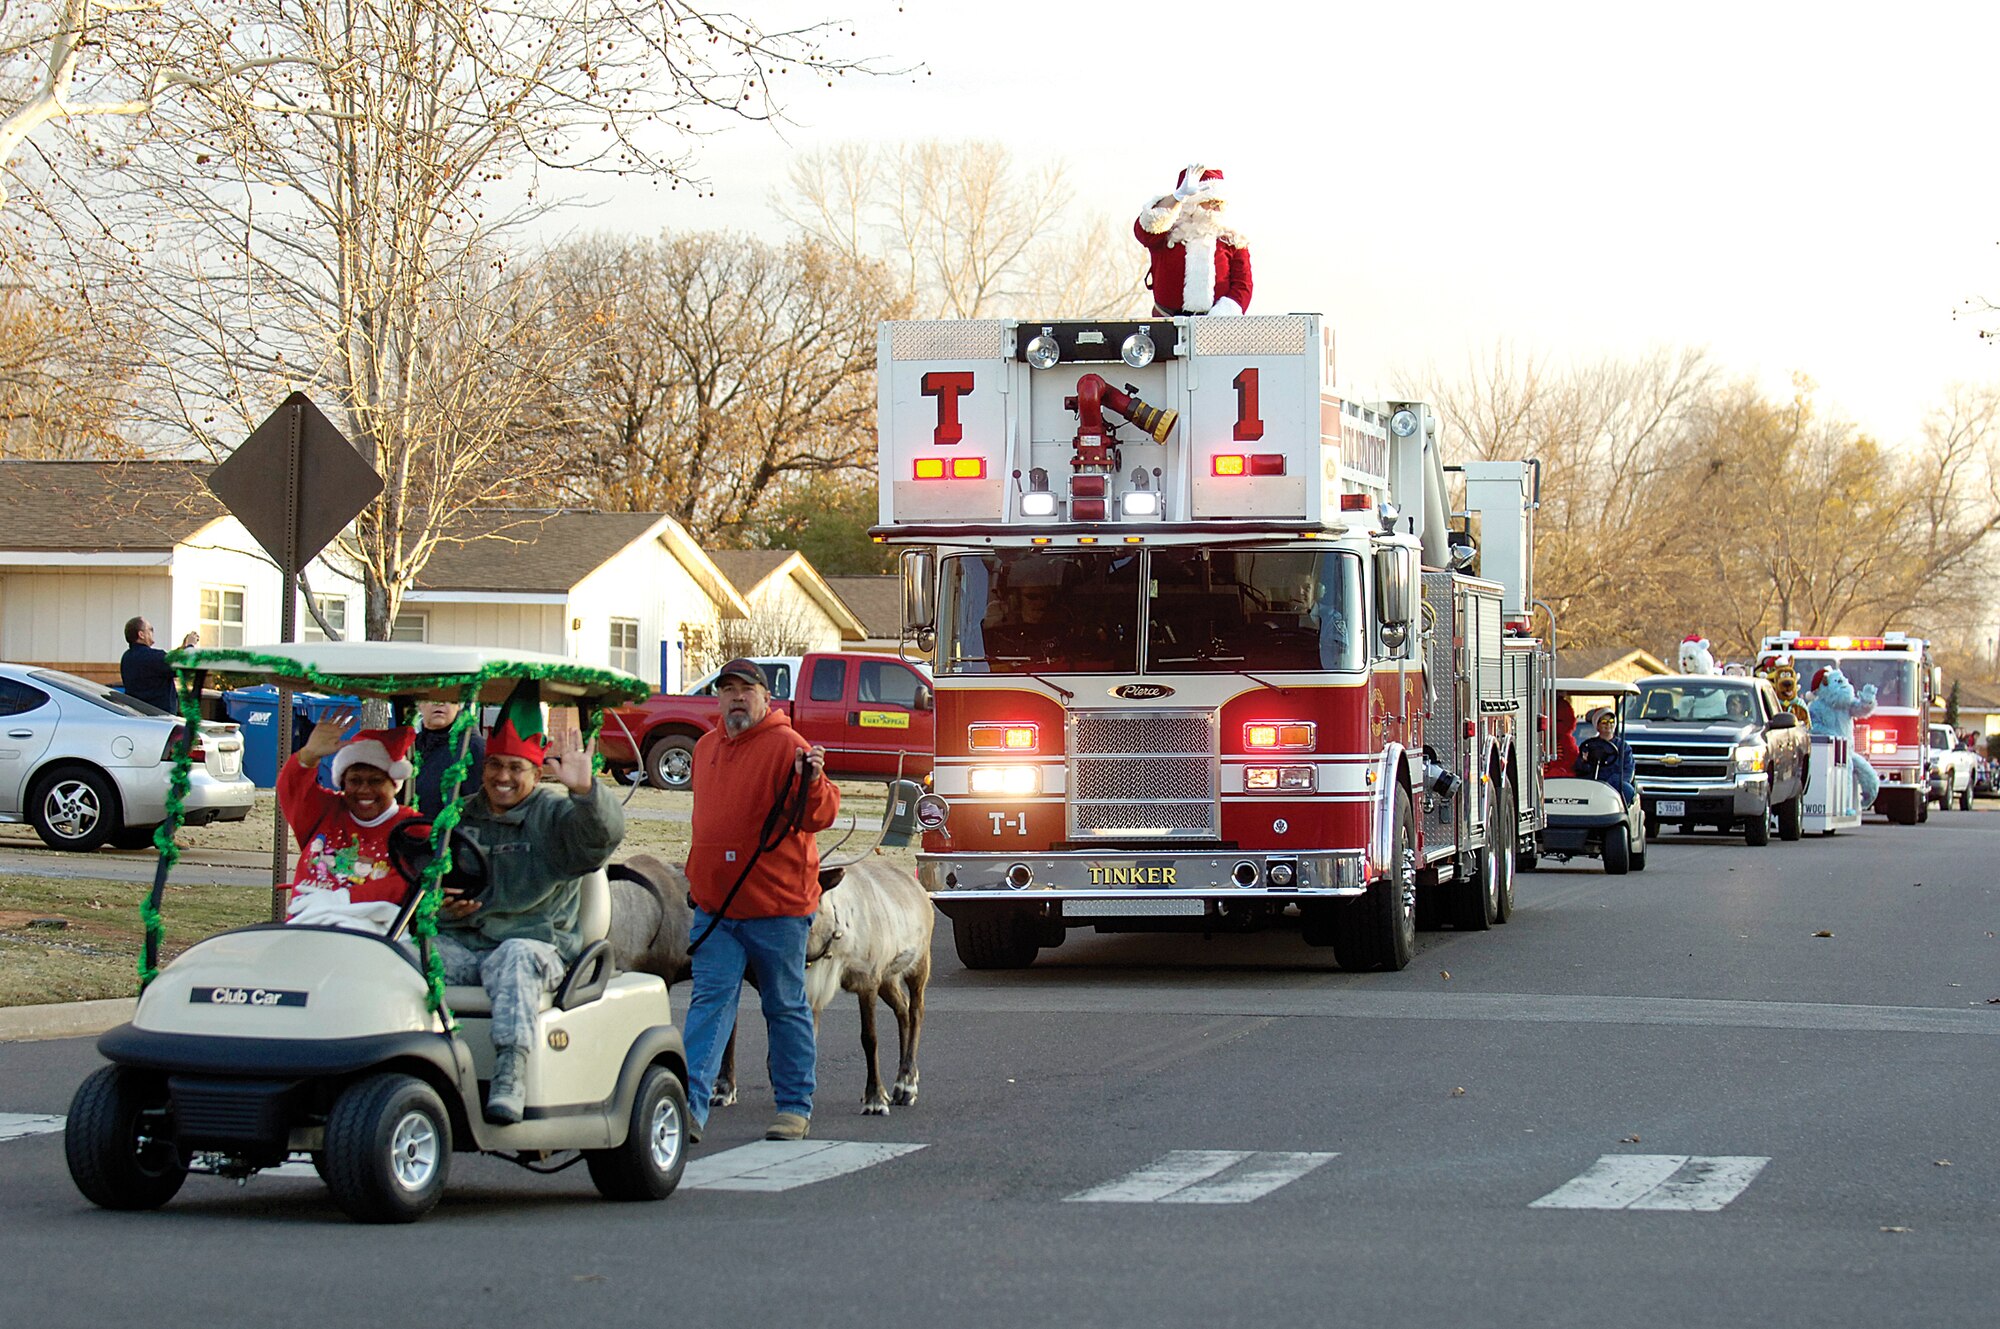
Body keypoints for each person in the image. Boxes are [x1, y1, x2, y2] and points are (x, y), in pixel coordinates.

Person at [436, 684, 624, 1124]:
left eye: (516, 768)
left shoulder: (556, 816)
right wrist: (442, 911)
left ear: (537, 775)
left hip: (539, 943)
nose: (503, 777)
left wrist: (586, 792)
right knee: (404, 958)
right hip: (467, 943)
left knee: (514, 960)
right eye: (495, 766)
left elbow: (602, 839)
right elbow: (433, 881)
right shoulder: (459, 814)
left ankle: (510, 1075)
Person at [682, 658, 838, 1144]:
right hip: (717, 912)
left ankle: (793, 1106)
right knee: (709, 1005)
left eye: (744, 690)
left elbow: (821, 814)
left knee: (785, 1005)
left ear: (764, 698)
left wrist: (813, 778)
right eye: (725, 690)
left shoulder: (788, 746)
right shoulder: (706, 747)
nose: (734, 699)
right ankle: (688, 1108)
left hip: (778, 910)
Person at [278, 711, 420, 933]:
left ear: (394, 784)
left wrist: (341, 899)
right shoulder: (325, 811)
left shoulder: (412, 827)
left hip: (367, 936)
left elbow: (406, 883)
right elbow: (293, 788)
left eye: (375, 781)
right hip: (305, 927)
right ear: (342, 782)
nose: (364, 790)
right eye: (355, 781)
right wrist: (309, 754)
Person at [1134, 164, 1253, 318]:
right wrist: (1177, 197)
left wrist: (1221, 317)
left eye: (1220, 203)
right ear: (1191, 203)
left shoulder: (1232, 237)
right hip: (1168, 323)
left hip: (1213, 328)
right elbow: (1147, 227)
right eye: (1209, 202)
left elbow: (1243, 285)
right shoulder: (1167, 230)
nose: (1215, 209)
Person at [411, 699, 485, 819]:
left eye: (449, 697)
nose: (439, 703)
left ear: (459, 705)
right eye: (433, 696)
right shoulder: (410, 747)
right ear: (419, 705)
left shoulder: (473, 748)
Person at [120, 617, 198, 713]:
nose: (153, 633)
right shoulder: (152, 657)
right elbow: (185, 664)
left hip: (137, 716)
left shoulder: (127, 657)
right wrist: (190, 645)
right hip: (160, 717)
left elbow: (165, 662)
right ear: (141, 635)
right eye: (150, 629)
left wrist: (183, 648)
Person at [1575, 707, 1637, 805]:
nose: (1608, 724)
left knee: (1627, 790)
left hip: (1614, 783)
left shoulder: (1623, 747)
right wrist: (1583, 761)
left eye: (1611, 721)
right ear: (1597, 726)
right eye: (1604, 722)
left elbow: (1628, 770)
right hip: (1593, 782)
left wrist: (1612, 782)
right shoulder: (1589, 745)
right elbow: (1580, 769)